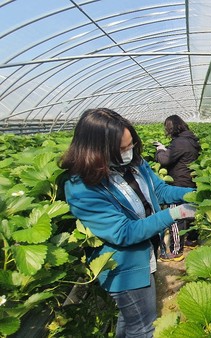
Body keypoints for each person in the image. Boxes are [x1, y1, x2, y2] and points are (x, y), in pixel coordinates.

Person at [60, 108, 196, 337]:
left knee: (133, 319)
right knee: (143, 326)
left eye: (131, 144)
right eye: (122, 149)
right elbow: (123, 232)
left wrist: (193, 195)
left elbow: (160, 190)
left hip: (146, 252)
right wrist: (174, 215)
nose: (129, 151)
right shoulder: (81, 187)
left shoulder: (134, 163)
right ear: (97, 150)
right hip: (124, 266)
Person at [154, 115, 201, 260]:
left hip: (178, 182)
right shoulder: (191, 139)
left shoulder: (179, 142)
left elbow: (165, 160)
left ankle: (176, 251)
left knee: (176, 216)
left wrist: (160, 150)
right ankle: (192, 240)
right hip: (191, 180)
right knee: (191, 211)